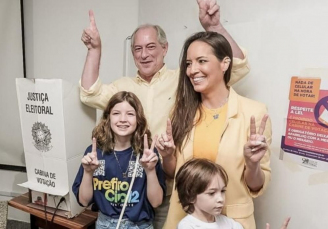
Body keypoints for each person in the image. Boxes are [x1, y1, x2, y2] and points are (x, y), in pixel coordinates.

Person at [79, 1, 250, 228]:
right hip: (131, 192)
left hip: (171, 188)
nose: (144, 54)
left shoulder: (184, 79)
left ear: (165, 48)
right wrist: (94, 50)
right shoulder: (124, 85)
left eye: (151, 47)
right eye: (138, 49)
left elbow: (237, 67)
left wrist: (215, 27)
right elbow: (90, 94)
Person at [157, 31, 272, 229]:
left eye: (201, 61)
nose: (193, 70)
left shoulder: (254, 112)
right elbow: (174, 173)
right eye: (188, 64)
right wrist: (167, 156)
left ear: (225, 63)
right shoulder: (181, 111)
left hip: (232, 222)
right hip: (182, 219)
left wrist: (252, 164)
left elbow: (256, 186)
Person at [72, 91, 166, 229]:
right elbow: (84, 201)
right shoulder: (94, 154)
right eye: (116, 113)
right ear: (108, 118)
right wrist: (88, 173)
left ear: (138, 119)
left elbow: (156, 202)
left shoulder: (148, 155)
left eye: (130, 114)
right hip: (105, 224)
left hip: (140, 225)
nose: (123, 119)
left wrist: (150, 170)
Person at [176, 158, 244, 229]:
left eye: (222, 191)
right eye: (211, 193)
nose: (220, 199)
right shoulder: (186, 226)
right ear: (191, 197)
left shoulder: (229, 224)